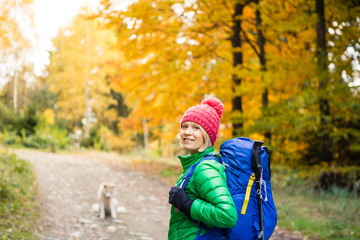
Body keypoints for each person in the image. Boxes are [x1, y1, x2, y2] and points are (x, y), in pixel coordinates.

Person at [168, 96, 237, 240]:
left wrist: (187, 204)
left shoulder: (205, 168)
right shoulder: (195, 164)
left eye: (196, 128)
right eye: (185, 126)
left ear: (207, 135)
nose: (187, 132)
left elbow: (228, 215)